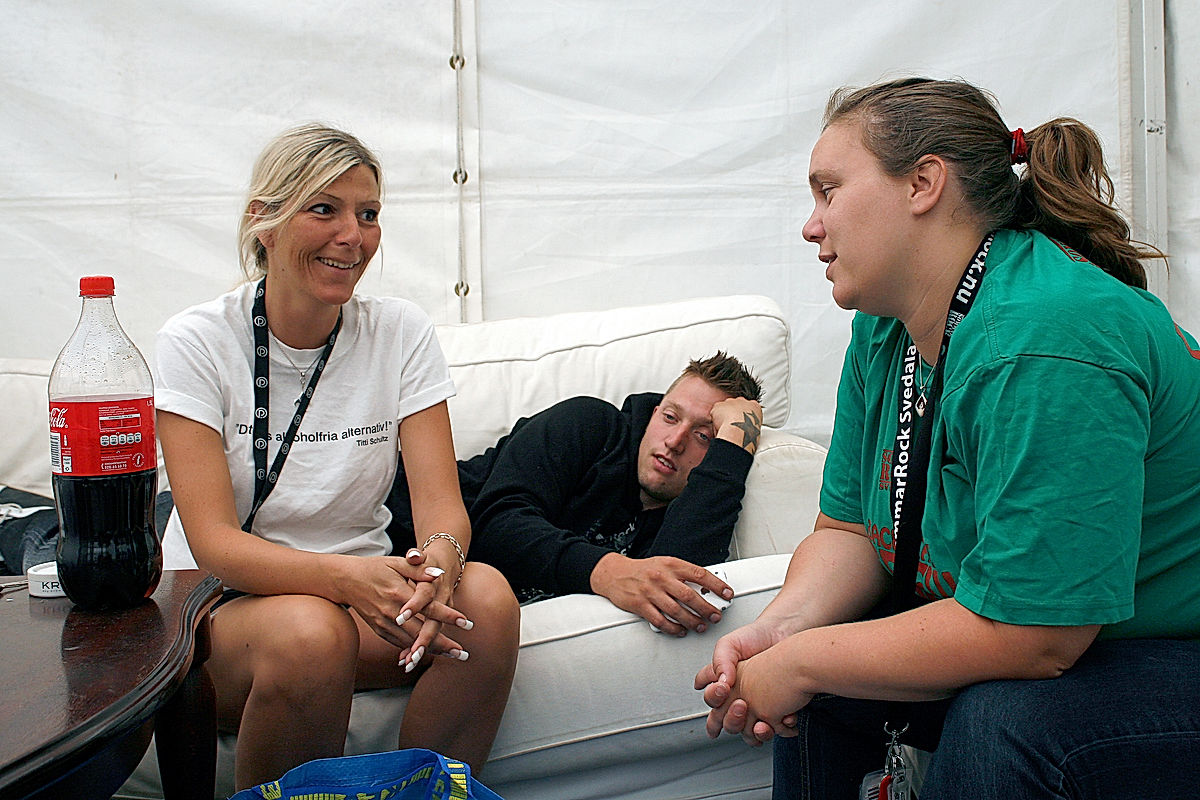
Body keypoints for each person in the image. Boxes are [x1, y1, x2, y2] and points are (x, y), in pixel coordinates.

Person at [696, 77, 1200, 799]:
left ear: (923, 184)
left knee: (1004, 720)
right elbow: (851, 532)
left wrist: (806, 661)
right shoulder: (886, 326)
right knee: (833, 686)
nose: (811, 226)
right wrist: (782, 633)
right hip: (1089, 641)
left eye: (828, 189)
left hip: (1169, 648)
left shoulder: (1044, 338)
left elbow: (1037, 637)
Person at [155, 123, 519, 789]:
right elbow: (211, 544)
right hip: (221, 614)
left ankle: (421, 792)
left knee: (488, 603)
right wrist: (351, 582)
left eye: (369, 214)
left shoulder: (400, 332)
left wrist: (438, 565)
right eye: (324, 209)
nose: (353, 236)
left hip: (363, 604)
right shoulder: (196, 341)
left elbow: (443, 511)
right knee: (313, 634)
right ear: (263, 223)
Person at [387, 352, 764, 636]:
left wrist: (732, 445)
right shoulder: (590, 425)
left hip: (465, 613)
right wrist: (608, 572)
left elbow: (678, 593)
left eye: (702, 436)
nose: (675, 441)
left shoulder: (694, 505)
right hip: (392, 523)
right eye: (669, 416)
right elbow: (495, 524)